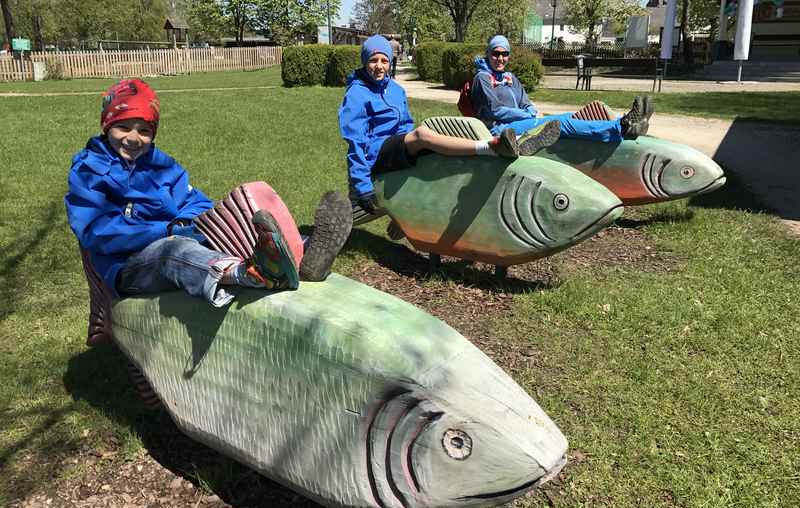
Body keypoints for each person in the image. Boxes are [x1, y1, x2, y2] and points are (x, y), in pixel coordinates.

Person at [65, 79, 351, 308]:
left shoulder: (161, 165)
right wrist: (165, 231)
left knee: (235, 209)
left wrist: (194, 222)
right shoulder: (89, 171)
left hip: (172, 235)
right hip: (129, 265)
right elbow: (96, 231)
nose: (134, 138)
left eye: (144, 130)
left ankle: (302, 250)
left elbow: (195, 202)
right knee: (173, 252)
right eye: (123, 127)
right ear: (107, 125)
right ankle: (250, 274)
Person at [339, 35, 557, 227]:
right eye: (373, 60)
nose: (379, 66)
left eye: (384, 60)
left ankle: (499, 153)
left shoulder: (395, 90)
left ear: (390, 62)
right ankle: (490, 147)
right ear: (364, 61)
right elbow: (355, 142)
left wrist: (412, 149)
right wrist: (362, 185)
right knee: (423, 135)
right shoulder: (357, 94)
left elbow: (405, 125)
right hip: (374, 153)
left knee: (436, 138)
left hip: (396, 146)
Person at [471, 35, 654, 143]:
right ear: (488, 54)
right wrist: (527, 115)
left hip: (520, 122)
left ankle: (626, 121)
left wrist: (530, 110)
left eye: (504, 54)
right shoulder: (482, 78)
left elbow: (526, 103)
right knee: (560, 125)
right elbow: (496, 111)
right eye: (496, 53)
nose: (500, 58)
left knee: (568, 116)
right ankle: (621, 128)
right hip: (500, 130)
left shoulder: (510, 78)